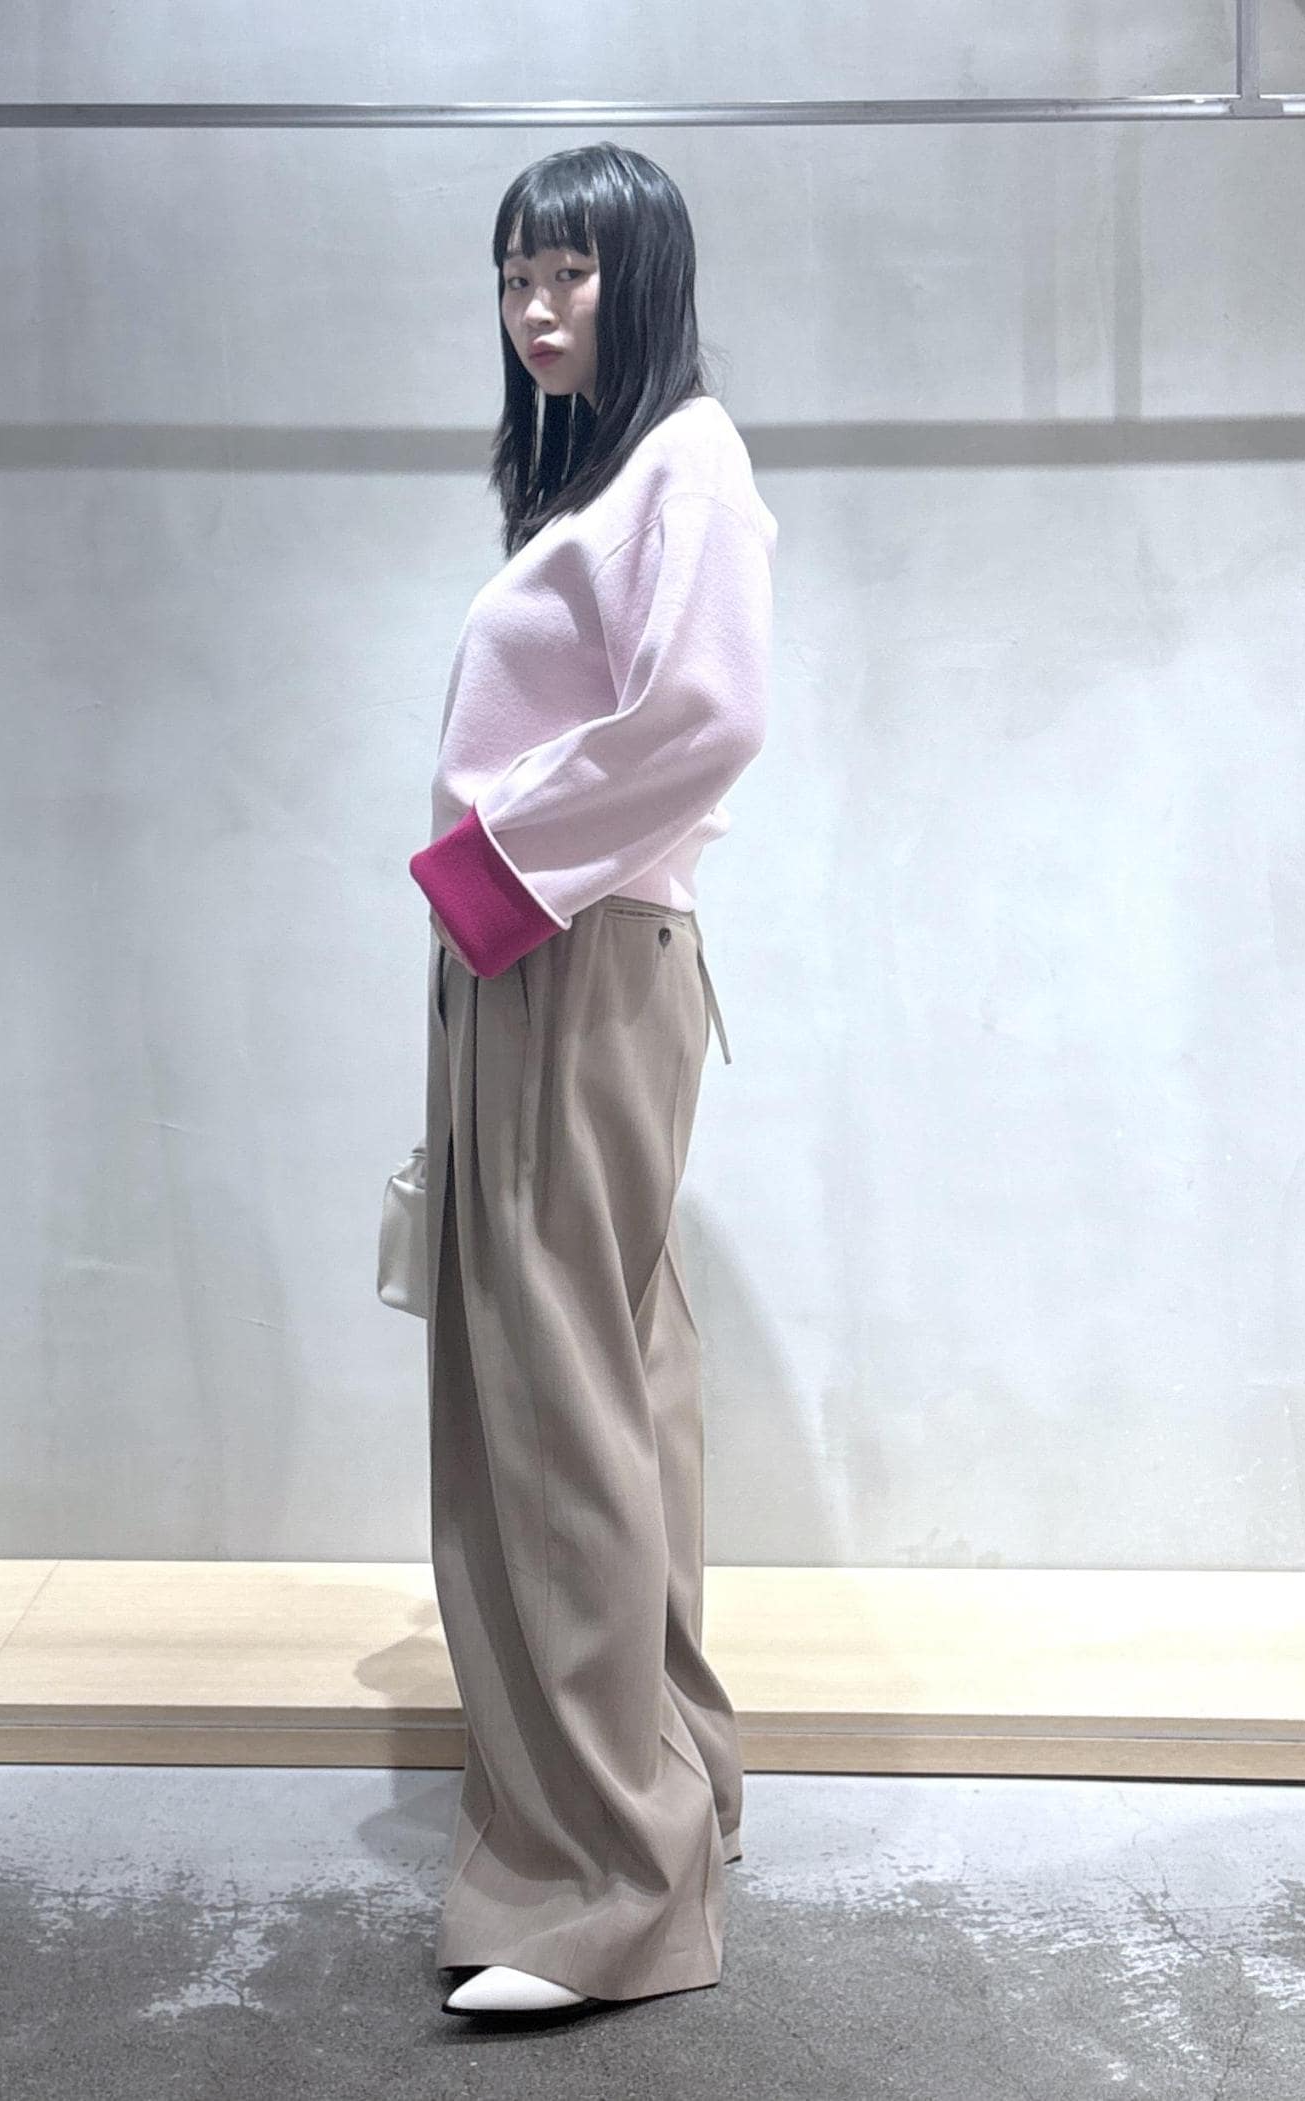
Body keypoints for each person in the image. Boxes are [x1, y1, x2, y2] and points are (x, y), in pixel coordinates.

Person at [409, 140, 778, 2019]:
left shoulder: (685, 461)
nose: (536, 307)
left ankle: (600, 1887)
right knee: (616, 1381)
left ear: (646, 276)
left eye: (570, 271)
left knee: (551, 1404)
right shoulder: (622, 476)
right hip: (562, 952)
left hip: (562, 949)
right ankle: (669, 1794)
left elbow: (707, 715)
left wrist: (489, 872)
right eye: (513, 277)